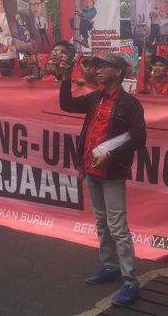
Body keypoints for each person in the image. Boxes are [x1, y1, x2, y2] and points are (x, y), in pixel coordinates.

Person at [59, 52, 146, 307]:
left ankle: (131, 281)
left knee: (117, 225)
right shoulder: (95, 98)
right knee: (101, 222)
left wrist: (111, 154)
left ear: (118, 72)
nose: (96, 70)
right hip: (90, 169)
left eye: (103, 67)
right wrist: (65, 77)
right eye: (96, 67)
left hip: (112, 173)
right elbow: (66, 105)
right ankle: (110, 267)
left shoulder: (130, 104)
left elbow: (139, 137)